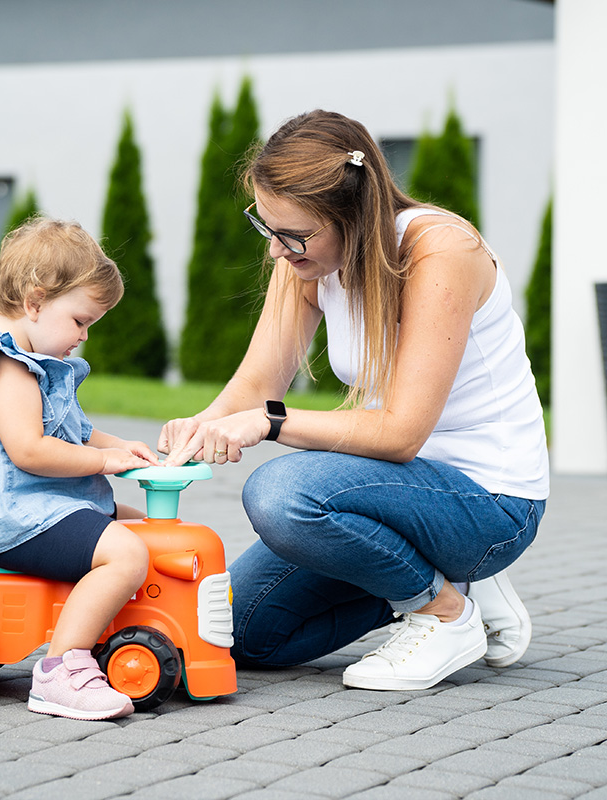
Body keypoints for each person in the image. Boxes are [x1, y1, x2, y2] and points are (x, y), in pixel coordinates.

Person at [160, 110, 548, 691]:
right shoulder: (306, 257)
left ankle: (444, 612)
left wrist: (269, 424)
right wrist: (194, 431)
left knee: (280, 492)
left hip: (487, 500)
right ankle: (442, 578)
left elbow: (400, 434)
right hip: (389, 492)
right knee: (239, 633)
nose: (276, 252)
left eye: (293, 235)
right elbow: (256, 383)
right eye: (267, 229)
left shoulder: (441, 252)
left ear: (355, 214)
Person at [0, 218, 158, 719]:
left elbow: (70, 433)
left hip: (36, 504)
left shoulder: (33, 361)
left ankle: (117, 628)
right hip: (10, 517)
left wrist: (121, 446)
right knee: (125, 552)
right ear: (34, 302)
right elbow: (31, 451)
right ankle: (62, 670)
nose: (83, 336)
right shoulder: (7, 369)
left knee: (137, 524)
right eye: (80, 321)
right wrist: (104, 461)